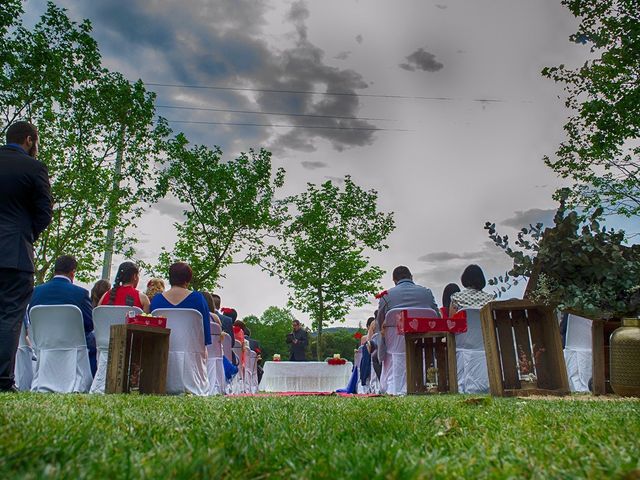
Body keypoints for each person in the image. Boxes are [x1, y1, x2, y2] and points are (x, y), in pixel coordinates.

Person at [0, 121, 53, 392]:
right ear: (30, 140)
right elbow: (45, 211)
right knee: (10, 316)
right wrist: (25, 234)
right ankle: (2, 380)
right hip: (15, 253)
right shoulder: (34, 168)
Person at [29, 255, 97, 376]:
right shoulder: (80, 293)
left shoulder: (36, 292)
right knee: (93, 341)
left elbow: (32, 319)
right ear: (73, 272)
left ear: (55, 270)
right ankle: (87, 380)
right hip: (71, 346)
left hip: (44, 343)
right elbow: (89, 324)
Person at [375, 266, 439, 362]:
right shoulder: (427, 293)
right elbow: (437, 318)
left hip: (395, 351)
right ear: (411, 277)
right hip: (424, 348)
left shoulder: (386, 296)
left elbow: (379, 324)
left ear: (394, 280)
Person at [150, 262, 212, 345]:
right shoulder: (198, 299)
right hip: (192, 354)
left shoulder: (156, 300)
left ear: (170, 278)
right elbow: (206, 336)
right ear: (188, 280)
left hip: (161, 351)